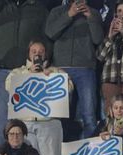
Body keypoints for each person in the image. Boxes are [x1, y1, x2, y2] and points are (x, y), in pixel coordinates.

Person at [6, 40, 69, 155]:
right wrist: (30, 75)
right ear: (28, 53)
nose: (37, 54)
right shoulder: (18, 72)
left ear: (45, 54)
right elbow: (8, 86)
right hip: (25, 123)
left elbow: (68, 87)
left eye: (41, 51)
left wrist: (50, 77)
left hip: (49, 122)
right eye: (34, 50)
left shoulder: (55, 71)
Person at [44, 0, 103, 134]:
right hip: (60, 69)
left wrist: (91, 18)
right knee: (60, 114)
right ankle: (63, 149)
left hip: (85, 68)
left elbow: (98, 39)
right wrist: (69, 14)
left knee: (89, 114)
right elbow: (50, 33)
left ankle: (90, 150)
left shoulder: (93, 13)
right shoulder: (57, 11)